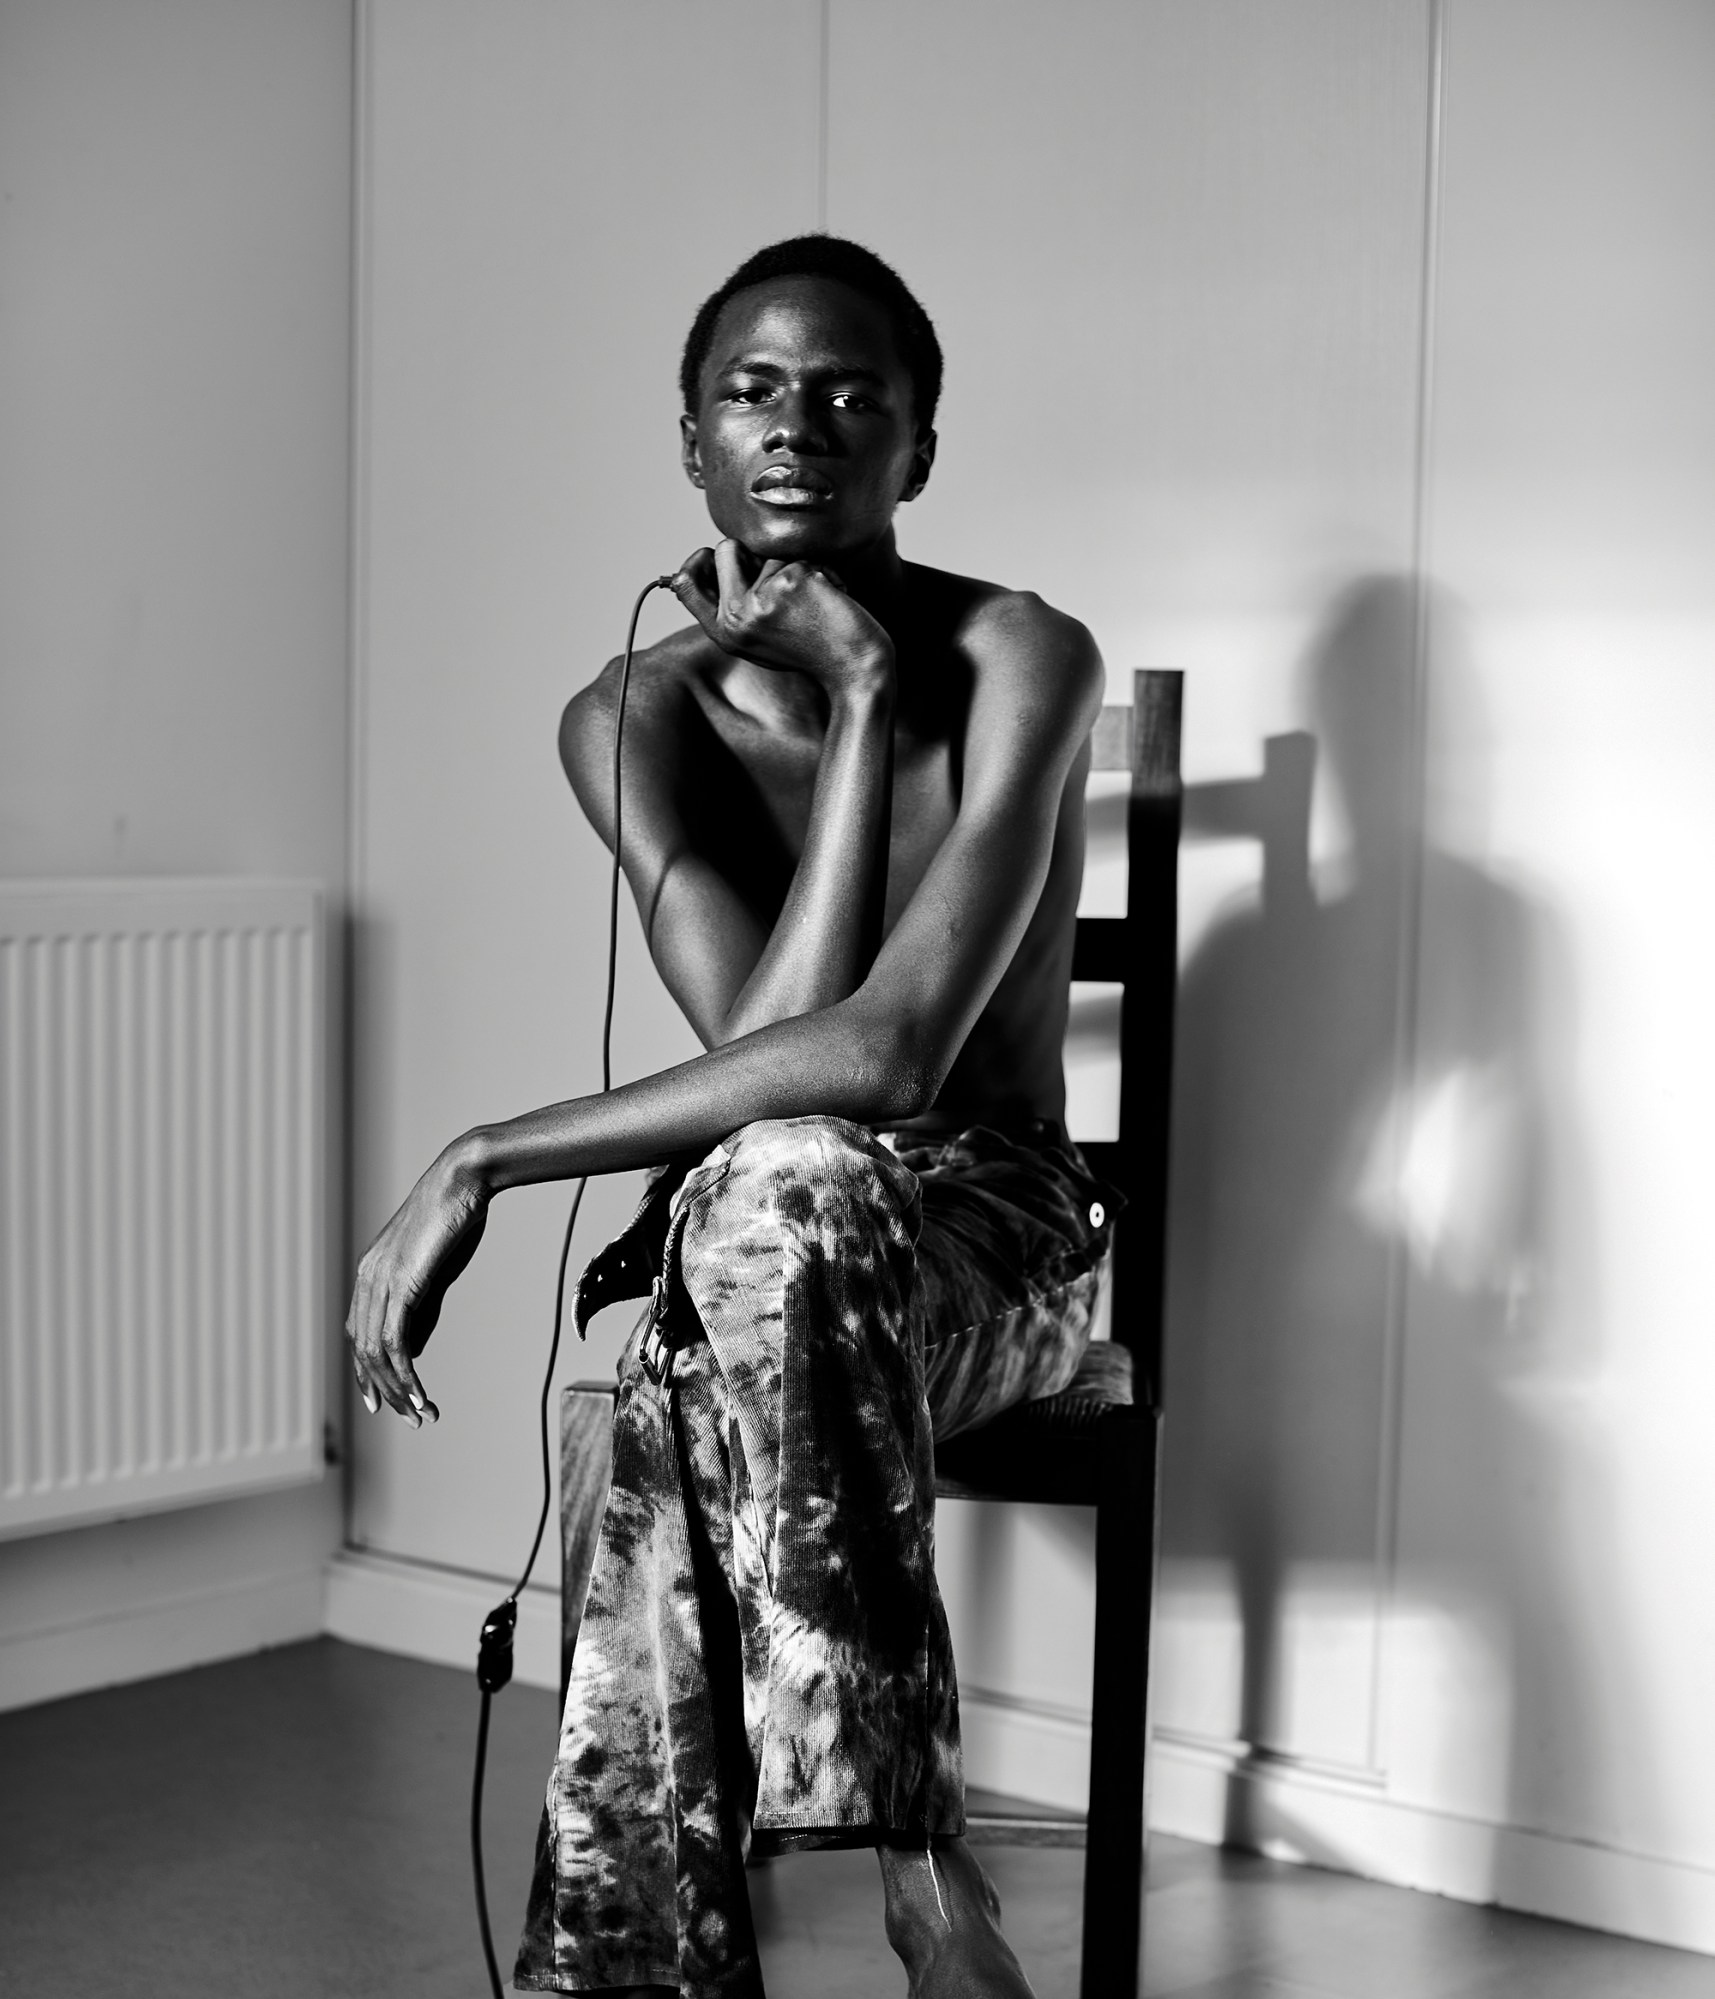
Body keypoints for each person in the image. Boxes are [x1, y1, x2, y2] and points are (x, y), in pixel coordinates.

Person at [345, 235, 1116, 1998]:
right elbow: (777, 1049)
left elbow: (892, 1056)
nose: (799, 425)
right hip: (780, 1239)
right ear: (690, 439)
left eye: (852, 395)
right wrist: (849, 715)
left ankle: (675, 1950)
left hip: (998, 1240)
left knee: (676, 1368)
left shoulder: (1023, 655)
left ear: (920, 446)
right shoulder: (628, 718)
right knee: (768, 1203)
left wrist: (485, 1154)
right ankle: (922, 1885)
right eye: (752, 391)